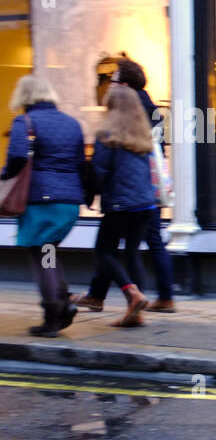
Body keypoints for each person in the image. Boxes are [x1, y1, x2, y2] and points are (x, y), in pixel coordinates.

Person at [77, 57, 177, 314]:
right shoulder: (150, 115)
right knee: (130, 250)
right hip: (146, 192)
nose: (110, 86)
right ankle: (105, 297)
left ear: (125, 86)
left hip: (126, 196)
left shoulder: (116, 124)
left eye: (114, 81)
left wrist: (89, 191)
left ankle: (144, 295)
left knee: (109, 249)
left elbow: (101, 167)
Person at [2, 75, 85, 336]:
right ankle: (64, 302)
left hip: (42, 202)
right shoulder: (72, 123)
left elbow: (16, 156)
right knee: (48, 253)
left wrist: (4, 176)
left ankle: (53, 314)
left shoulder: (25, 121)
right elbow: (81, 162)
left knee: (42, 258)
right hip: (69, 202)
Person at [83, 86, 158, 328]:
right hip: (145, 203)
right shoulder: (142, 133)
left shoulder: (107, 134)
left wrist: (88, 188)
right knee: (132, 253)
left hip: (120, 203)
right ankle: (135, 312)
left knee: (104, 251)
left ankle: (132, 294)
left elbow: (99, 172)